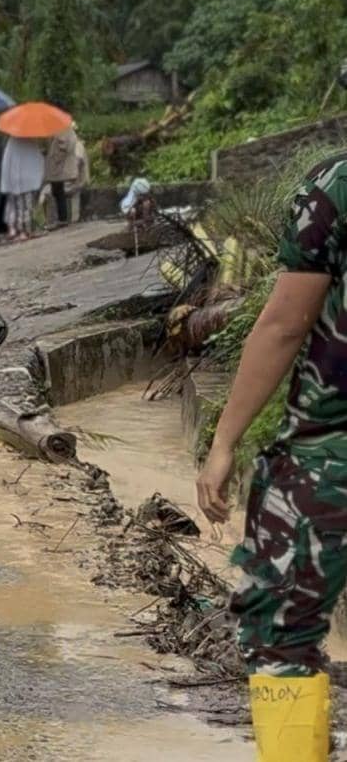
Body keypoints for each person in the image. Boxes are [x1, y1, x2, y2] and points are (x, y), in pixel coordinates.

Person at [196, 155, 347, 760]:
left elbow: (286, 322)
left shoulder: (337, 188)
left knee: (281, 635)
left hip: (329, 455)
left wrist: (224, 442)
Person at [0, 134, 43, 240]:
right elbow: (37, 159)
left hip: (16, 180)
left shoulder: (11, 143)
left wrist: (7, 181)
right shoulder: (31, 141)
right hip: (29, 180)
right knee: (28, 206)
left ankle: (21, 231)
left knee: (19, 206)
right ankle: (27, 230)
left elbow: (6, 162)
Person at [44, 122, 79, 229]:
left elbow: (63, 146)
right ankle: (62, 218)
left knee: (58, 191)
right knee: (58, 191)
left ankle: (62, 219)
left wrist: (55, 159)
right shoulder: (67, 129)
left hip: (59, 167)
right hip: (61, 167)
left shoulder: (61, 129)